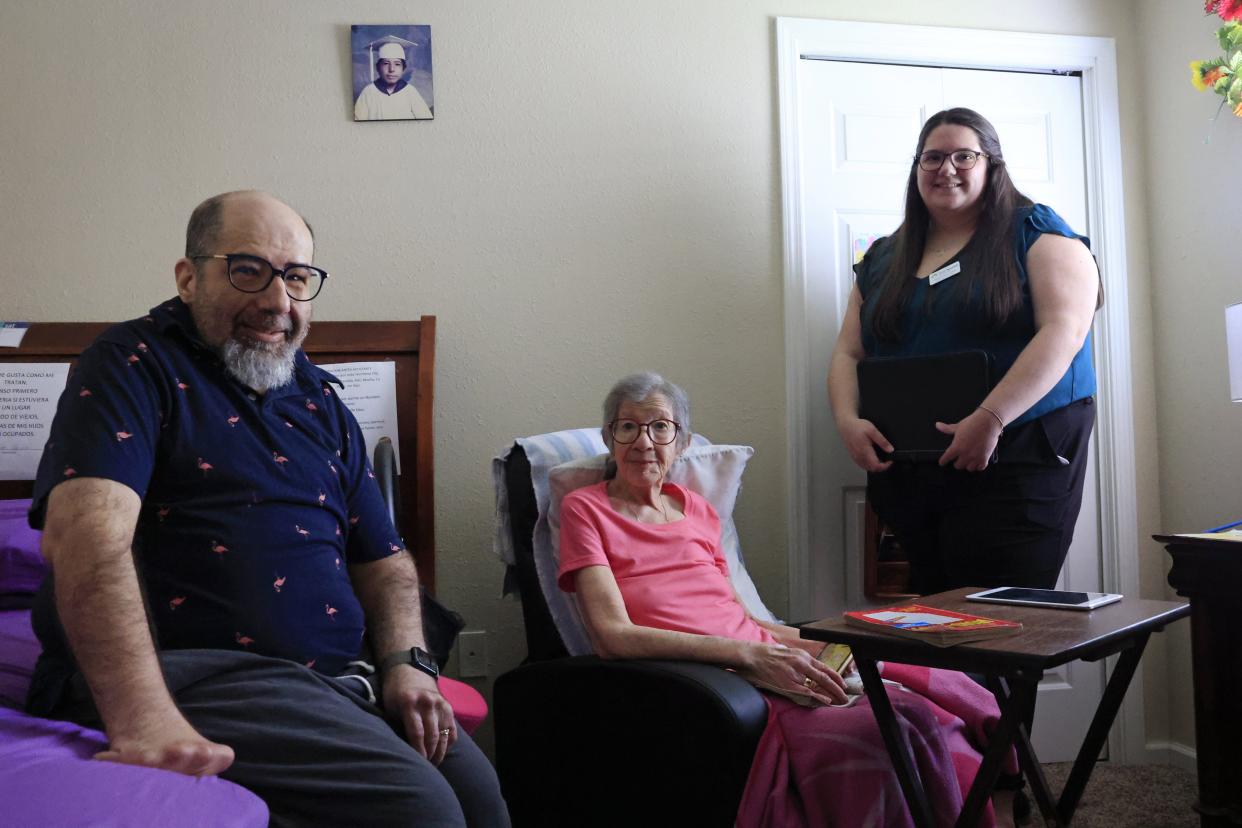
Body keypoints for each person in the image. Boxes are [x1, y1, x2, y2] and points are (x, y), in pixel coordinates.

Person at [25, 190, 508, 827]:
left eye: (298, 277)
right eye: (249, 269)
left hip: (336, 680)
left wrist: (409, 665)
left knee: (484, 802)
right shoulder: (131, 365)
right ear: (188, 277)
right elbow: (86, 535)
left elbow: (385, 561)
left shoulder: (318, 398)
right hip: (203, 671)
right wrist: (144, 718)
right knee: (420, 811)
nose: (278, 302)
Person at [556, 372, 1019, 827]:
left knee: (937, 694)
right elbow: (613, 636)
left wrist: (835, 640)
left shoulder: (696, 508)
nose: (643, 441)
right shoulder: (586, 509)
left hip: (763, 649)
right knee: (881, 731)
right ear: (608, 438)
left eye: (661, 426)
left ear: (682, 442)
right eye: (627, 426)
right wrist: (750, 656)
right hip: (716, 671)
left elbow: (739, 615)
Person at [828, 107, 1101, 596]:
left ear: (992, 165)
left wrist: (991, 418)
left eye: (963, 156)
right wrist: (848, 421)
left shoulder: (1035, 231)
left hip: (1017, 458)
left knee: (1005, 624)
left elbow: (1065, 330)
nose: (945, 168)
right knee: (940, 622)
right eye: (931, 158)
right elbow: (849, 352)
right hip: (915, 470)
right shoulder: (883, 258)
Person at [354, 41, 433, 121]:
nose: (391, 69)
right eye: (386, 63)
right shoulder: (368, 92)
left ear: (403, 68)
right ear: (378, 67)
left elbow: (425, 120)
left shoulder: (410, 91)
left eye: (397, 64)